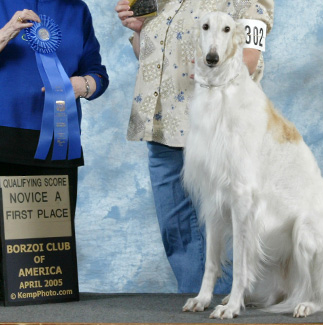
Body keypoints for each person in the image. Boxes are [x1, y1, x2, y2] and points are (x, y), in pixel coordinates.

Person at [115, 0, 274, 293]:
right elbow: (150, 60)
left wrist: (208, 70)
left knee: (221, 229)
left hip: (217, 130)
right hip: (162, 129)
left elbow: (250, 59)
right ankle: (196, 302)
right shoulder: (160, 1)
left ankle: (224, 304)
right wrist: (140, 32)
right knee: (177, 234)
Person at [0, 1, 109, 221]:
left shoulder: (77, 10)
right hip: (4, 143)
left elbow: (97, 74)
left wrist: (83, 85)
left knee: (54, 248)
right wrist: (6, 32)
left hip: (59, 146)